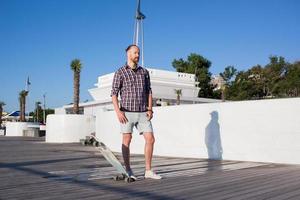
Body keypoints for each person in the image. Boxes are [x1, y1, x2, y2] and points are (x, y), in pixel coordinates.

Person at [111, 44, 162, 180]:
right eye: (135, 53)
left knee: (150, 139)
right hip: (126, 112)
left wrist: (150, 108)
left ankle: (148, 171)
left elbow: (148, 91)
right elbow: (114, 94)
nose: (137, 55)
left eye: (138, 53)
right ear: (128, 54)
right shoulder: (120, 72)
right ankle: (128, 170)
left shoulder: (144, 72)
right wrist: (118, 112)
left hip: (142, 112)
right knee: (127, 140)